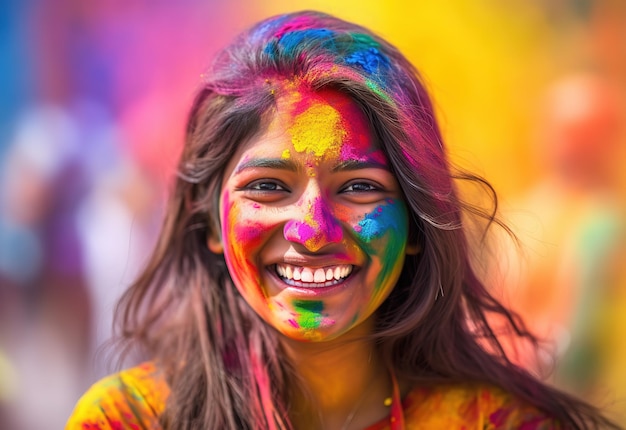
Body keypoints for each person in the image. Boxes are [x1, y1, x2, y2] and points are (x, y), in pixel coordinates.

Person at [65, 10, 617, 429]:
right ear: (208, 223)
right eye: (268, 187)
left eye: (358, 188)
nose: (312, 230)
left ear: (418, 226)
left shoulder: (497, 423)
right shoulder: (127, 420)